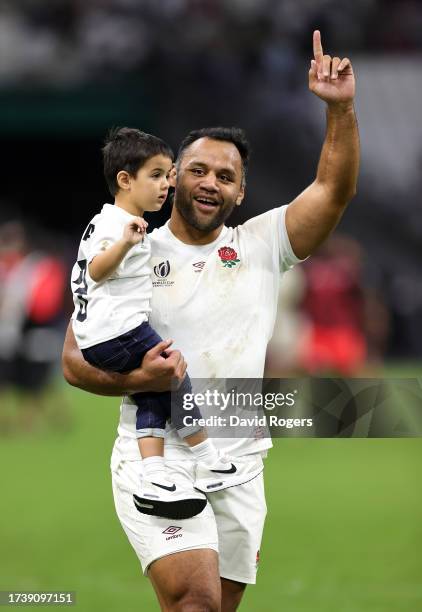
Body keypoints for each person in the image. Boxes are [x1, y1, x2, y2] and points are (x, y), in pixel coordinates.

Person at [62, 31, 359, 612]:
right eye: (196, 169)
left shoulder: (263, 243)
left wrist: (340, 109)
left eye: (225, 177)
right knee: (194, 604)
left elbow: (334, 188)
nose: (209, 183)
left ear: (241, 192)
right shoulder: (129, 246)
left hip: (242, 458)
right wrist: (141, 381)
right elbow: (74, 361)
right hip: (161, 453)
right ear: (171, 177)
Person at [71, 127, 261, 519]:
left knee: (156, 390)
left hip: (103, 332)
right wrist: (126, 242)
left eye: (169, 175)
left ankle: (158, 471)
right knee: (173, 371)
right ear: (125, 180)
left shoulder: (108, 220)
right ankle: (199, 457)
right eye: (156, 176)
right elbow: (95, 270)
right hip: (116, 333)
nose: (166, 185)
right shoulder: (118, 226)